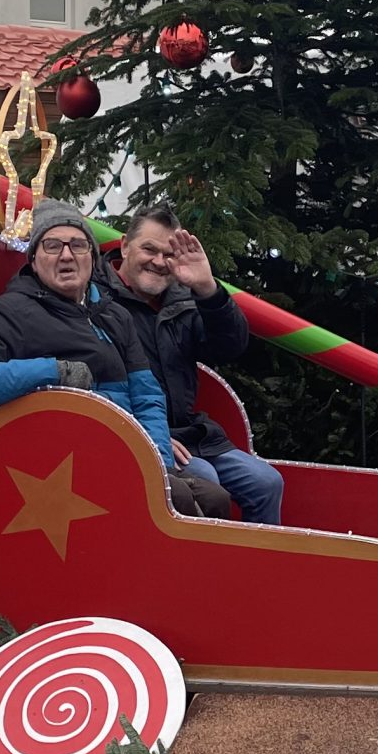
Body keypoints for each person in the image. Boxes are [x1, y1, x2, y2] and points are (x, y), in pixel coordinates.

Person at [0, 199, 229, 518]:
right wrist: (54, 371)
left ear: (92, 257)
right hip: (65, 460)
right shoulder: (9, 312)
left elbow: (146, 394)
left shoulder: (114, 314)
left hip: (126, 451)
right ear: (34, 260)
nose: (67, 255)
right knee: (180, 500)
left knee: (214, 498)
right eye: (52, 245)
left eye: (78, 245)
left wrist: (157, 463)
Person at [106, 203, 284, 525]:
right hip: (136, 433)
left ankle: (253, 557)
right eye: (149, 249)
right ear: (125, 246)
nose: (159, 262)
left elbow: (229, 347)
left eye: (168, 254)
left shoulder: (182, 299)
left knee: (266, 482)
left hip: (192, 433)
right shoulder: (99, 302)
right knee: (205, 480)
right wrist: (149, 435)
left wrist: (207, 289)